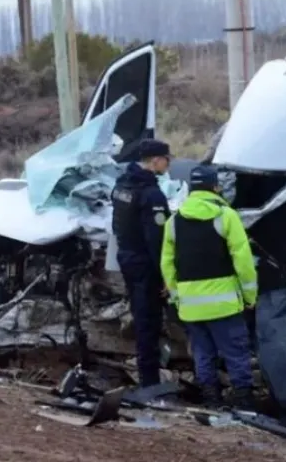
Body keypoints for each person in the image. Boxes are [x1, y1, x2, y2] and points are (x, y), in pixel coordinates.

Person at [160, 165, 258, 409]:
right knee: (236, 354)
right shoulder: (226, 216)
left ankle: (211, 401)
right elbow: (243, 260)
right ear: (216, 187)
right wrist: (249, 295)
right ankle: (245, 404)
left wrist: (176, 296)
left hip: (191, 307)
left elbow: (167, 263)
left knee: (203, 355)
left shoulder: (174, 222)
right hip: (224, 304)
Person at [111, 138, 172, 388]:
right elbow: (157, 241)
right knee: (149, 322)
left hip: (127, 259)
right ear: (156, 160)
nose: (169, 163)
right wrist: (167, 277)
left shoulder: (122, 186)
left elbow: (118, 225)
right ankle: (150, 383)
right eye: (167, 158)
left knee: (141, 317)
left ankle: (149, 377)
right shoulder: (151, 194)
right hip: (146, 265)